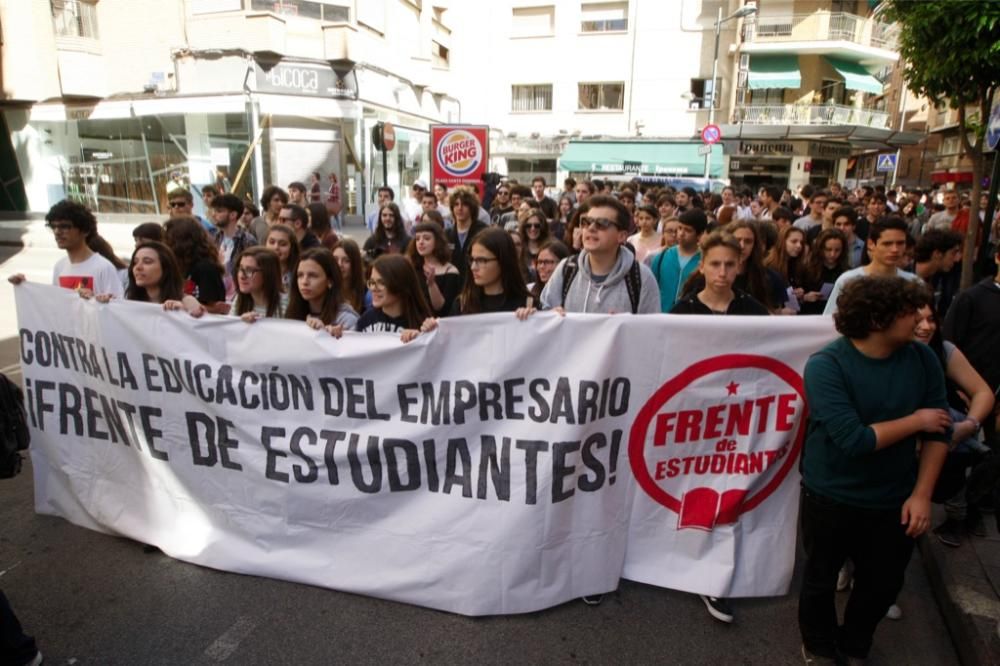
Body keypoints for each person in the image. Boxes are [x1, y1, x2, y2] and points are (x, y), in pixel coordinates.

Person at [799, 277, 951, 664]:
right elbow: (855, 441)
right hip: (830, 496)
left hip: (893, 498)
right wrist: (916, 420)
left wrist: (922, 494)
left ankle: (854, 646)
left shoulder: (923, 358)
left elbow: (941, 431)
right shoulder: (826, 366)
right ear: (877, 319)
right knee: (819, 580)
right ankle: (818, 645)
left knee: (882, 586)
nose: (922, 321)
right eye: (909, 312)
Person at [913, 302, 995, 547]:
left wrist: (969, 425)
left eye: (931, 319)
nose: (925, 327)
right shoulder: (886, 352)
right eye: (917, 320)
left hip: (945, 449)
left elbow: (983, 392)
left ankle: (957, 518)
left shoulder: (944, 350)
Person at [535, 194, 660, 315]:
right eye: (586, 222)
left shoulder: (641, 278)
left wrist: (626, 327)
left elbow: (651, 330)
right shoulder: (567, 268)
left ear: (621, 236)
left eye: (601, 224)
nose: (591, 228)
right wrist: (546, 314)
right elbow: (544, 314)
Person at [943, 242, 1000, 450]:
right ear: (997, 258)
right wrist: (958, 388)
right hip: (970, 394)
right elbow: (948, 343)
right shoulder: (972, 298)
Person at [8, 200, 125, 298]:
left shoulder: (103, 267)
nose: (57, 232)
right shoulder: (60, 266)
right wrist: (24, 286)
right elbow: (56, 304)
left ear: (85, 230)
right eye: (53, 226)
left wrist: (94, 300)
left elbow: (117, 310)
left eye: (64, 226)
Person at [824, 218, 920, 315]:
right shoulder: (848, 281)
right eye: (887, 244)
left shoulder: (913, 283)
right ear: (871, 244)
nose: (895, 249)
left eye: (900, 243)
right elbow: (829, 320)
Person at [670, 232, 769, 316]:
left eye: (730, 264)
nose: (722, 273)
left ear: (738, 266)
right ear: (701, 267)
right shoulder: (682, 312)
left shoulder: (754, 311)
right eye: (715, 264)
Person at [440, 227, 530, 316]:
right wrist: (432, 327)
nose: (473, 267)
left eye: (482, 260)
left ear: (503, 261)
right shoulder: (462, 305)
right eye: (472, 260)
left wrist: (531, 319)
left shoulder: (527, 303)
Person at [285, 247, 359, 335]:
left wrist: (326, 335)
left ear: (330, 281)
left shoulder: (347, 319)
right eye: (300, 275)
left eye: (312, 275)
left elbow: (352, 347)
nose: (304, 282)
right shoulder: (291, 312)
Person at [356, 254, 432, 338]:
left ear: (399, 285)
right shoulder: (366, 320)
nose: (373, 288)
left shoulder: (423, 324)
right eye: (372, 282)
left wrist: (418, 338)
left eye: (381, 283)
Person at [163, 216, 227, 313]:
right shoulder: (178, 267)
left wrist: (184, 308)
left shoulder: (206, 268)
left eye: (168, 238)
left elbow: (216, 309)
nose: (164, 243)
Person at [649, 209, 707, 312]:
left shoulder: (705, 260)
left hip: (690, 319)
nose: (680, 233)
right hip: (661, 317)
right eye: (680, 228)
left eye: (688, 230)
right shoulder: (662, 256)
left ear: (699, 234)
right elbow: (651, 289)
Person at [406, 221, 461, 317]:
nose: (421, 242)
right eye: (417, 239)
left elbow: (441, 309)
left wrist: (431, 284)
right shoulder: (411, 268)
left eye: (426, 238)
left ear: (437, 241)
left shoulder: (450, 271)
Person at [210, 193, 257, 301]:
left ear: (233, 215)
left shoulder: (247, 240)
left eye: (219, 211)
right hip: (218, 296)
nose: (214, 214)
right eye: (214, 210)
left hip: (240, 299)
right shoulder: (215, 238)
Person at [798, 229, 849, 315]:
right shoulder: (806, 269)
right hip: (810, 315)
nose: (833, 254)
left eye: (837, 250)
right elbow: (794, 298)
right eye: (828, 250)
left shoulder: (846, 272)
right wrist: (805, 297)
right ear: (820, 249)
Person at [913, 229, 963, 317]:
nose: (957, 259)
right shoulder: (905, 281)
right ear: (937, 254)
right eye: (953, 253)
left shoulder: (928, 281)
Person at [230, 246, 286, 321]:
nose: (242, 276)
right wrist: (240, 324)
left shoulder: (286, 304)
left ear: (267, 274)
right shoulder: (238, 300)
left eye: (249, 270)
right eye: (240, 269)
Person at [446, 187, 489, 281]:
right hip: (452, 285)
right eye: (456, 204)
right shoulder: (446, 234)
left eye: (464, 204)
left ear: (472, 207)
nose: (460, 208)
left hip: (476, 282)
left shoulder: (483, 231)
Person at [764, 225, 808, 314]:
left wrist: (801, 296)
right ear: (782, 242)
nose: (799, 246)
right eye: (794, 241)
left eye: (801, 242)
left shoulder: (797, 265)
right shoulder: (769, 267)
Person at [332, 238, 368, 315]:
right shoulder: (326, 289)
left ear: (355, 264)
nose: (339, 264)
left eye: (346, 260)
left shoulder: (366, 293)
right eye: (335, 259)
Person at [264, 224, 300, 293]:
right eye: (272, 242)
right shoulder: (258, 271)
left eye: (283, 244)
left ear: (292, 248)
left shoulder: (298, 273)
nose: (276, 247)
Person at [519, 209, 552, 275]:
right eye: (529, 225)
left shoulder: (551, 247)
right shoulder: (519, 247)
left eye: (537, 226)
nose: (532, 229)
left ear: (542, 227)